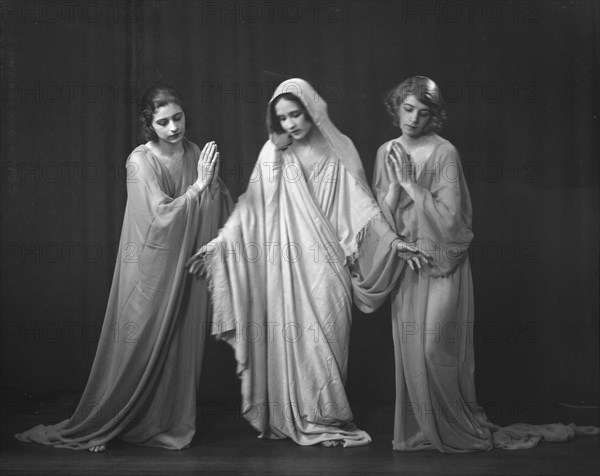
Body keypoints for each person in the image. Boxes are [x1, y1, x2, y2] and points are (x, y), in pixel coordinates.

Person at [187, 78, 430, 447]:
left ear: (311, 109)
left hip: (328, 267)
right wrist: (219, 244)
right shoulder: (274, 154)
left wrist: (395, 242)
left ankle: (326, 418)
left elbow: (365, 210)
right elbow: (250, 208)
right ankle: (303, 420)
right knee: (295, 343)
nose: (290, 124)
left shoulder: (339, 150)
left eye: (296, 114)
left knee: (325, 344)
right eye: (282, 118)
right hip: (285, 270)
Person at [373, 75, 598, 452]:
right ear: (396, 107)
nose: (413, 119)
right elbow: (381, 218)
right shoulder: (385, 152)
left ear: (434, 117)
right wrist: (395, 194)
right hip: (407, 269)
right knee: (412, 353)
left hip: (444, 263)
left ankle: (457, 427)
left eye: (423, 113)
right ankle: (424, 431)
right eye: (407, 109)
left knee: (433, 349)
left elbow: (453, 223)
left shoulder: (445, 153)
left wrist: (412, 185)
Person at [15, 84, 233, 451]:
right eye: (163, 122)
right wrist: (199, 187)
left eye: (177, 118)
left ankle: (162, 422)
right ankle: (107, 424)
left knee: (180, 345)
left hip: (186, 268)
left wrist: (210, 189)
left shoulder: (195, 152)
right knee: (134, 347)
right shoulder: (139, 161)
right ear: (150, 125)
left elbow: (218, 200)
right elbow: (159, 219)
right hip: (149, 273)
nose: (173, 128)